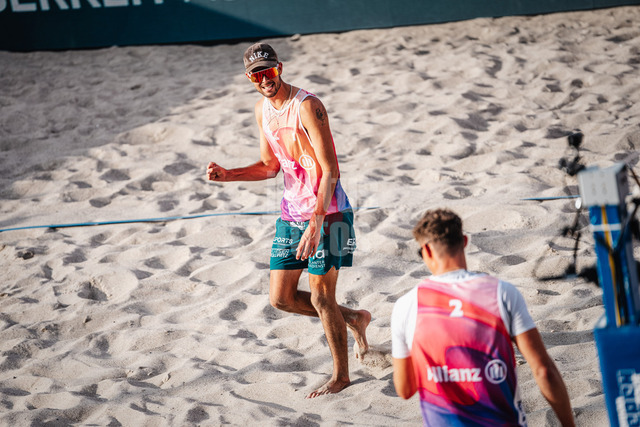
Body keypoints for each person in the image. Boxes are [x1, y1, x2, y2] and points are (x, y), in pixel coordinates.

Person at [206, 43, 371, 398]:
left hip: (330, 213)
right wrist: (229, 174)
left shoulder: (308, 106)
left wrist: (316, 222)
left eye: (269, 71)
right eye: (257, 75)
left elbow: (331, 170)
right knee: (280, 298)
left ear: (280, 68)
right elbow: (270, 167)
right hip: (291, 214)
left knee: (322, 297)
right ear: (249, 78)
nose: (265, 79)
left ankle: (341, 377)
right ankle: (354, 317)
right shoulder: (262, 110)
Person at [391, 208, 575, 426]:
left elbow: (405, 390)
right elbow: (544, 371)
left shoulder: (407, 305)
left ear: (427, 250)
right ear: (464, 242)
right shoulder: (501, 293)